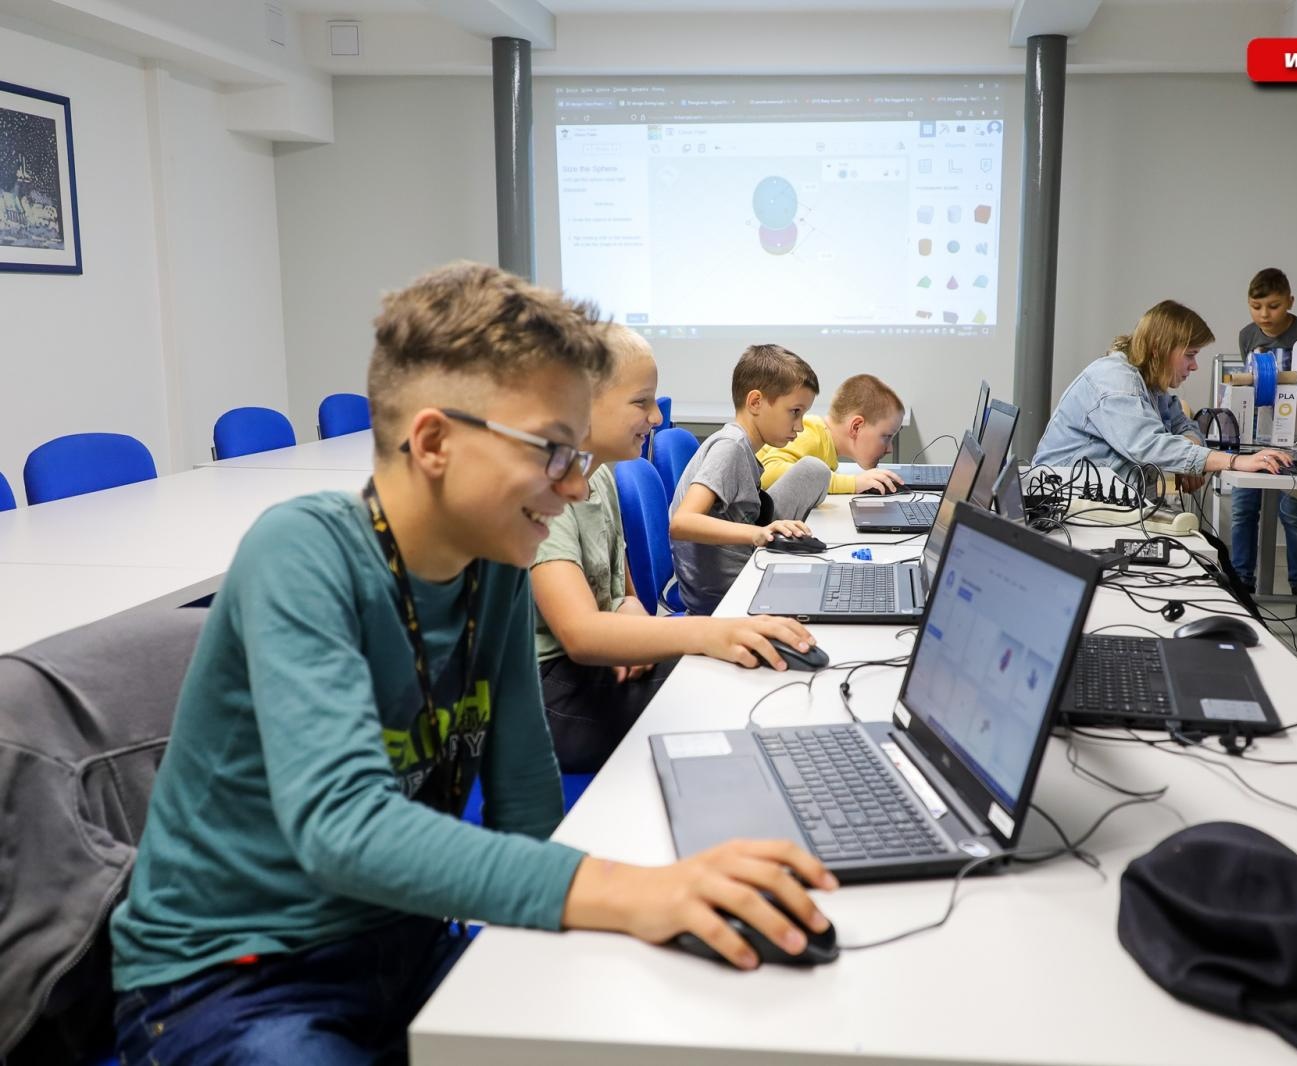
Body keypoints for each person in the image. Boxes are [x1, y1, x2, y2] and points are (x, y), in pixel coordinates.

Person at [110, 263, 836, 1065]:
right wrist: (630, 892)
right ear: (433, 443)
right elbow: (342, 830)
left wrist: (606, 937)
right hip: (238, 980)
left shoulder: (493, 564)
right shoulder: (303, 550)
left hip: (405, 944)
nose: (574, 485)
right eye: (554, 453)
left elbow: (524, 797)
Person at [531, 325, 821, 774]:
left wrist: (631, 615)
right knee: (723, 689)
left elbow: (620, 592)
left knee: (739, 675)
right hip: (551, 697)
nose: (655, 417)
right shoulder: (542, 493)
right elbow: (581, 634)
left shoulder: (600, 476)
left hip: (596, 665)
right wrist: (710, 632)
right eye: (640, 402)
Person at [1032, 299, 1290, 490]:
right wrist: (1234, 462)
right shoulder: (1115, 379)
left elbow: (1183, 424)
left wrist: (1190, 451)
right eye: (1190, 355)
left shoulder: (1150, 383)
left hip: (1096, 498)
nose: (1194, 366)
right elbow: (1149, 446)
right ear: (1159, 348)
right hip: (1066, 499)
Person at [668, 343, 832, 615]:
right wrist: (758, 534)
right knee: (825, 585)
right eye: (795, 412)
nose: (800, 426)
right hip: (724, 591)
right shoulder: (730, 447)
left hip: (735, 564)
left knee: (814, 470)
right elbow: (682, 523)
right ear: (755, 402)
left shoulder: (742, 445)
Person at [1232, 268, 1297, 616]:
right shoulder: (1247, 335)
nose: (1264, 315)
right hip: (1253, 437)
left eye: (1273, 306)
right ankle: (1241, 583)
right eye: (1256, 307)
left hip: (1296, 437)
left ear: (1290, 302)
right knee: (1243, 509)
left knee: (1294, 511)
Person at [757, 372, 907, 495]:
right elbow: (768, 474)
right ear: (856, 427)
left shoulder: (826, 447)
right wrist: (853, 483)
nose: (890, 449)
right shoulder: (810, 435)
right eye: (886, 437)